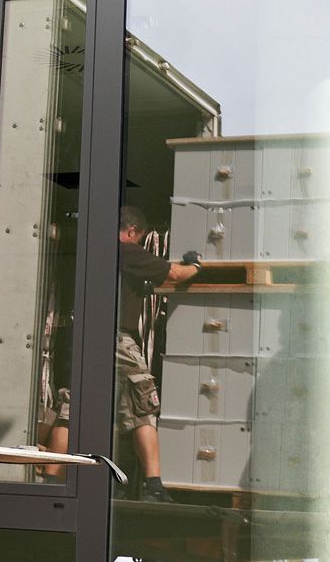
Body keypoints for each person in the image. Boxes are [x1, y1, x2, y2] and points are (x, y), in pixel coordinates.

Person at [116, 206, 202, 500]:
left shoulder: (96, 251)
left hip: (87, 339)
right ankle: (153, 486)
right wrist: (197, 266)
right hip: (118, 341)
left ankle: (53, 479)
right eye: (139, 238)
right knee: (143, 407)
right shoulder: (127, 250)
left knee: (74, 409)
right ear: (131, 232)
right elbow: (177, 273)